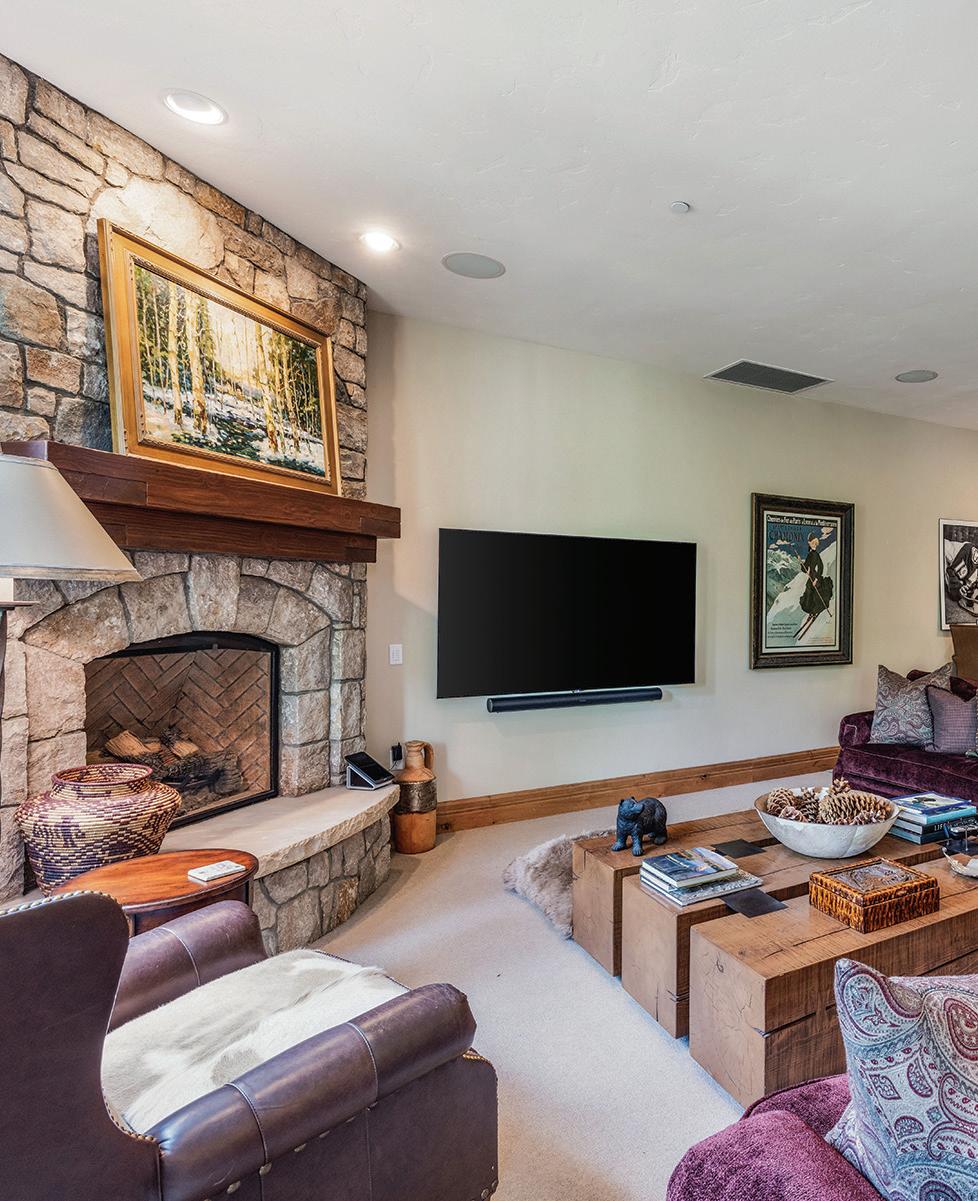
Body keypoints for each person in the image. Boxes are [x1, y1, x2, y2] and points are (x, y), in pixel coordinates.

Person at [796, 533, 833, 639]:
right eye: (813, 543)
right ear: (809, 543)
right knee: (809, 594)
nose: (815, 545)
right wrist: (800, 562)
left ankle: (815, 611)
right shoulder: (809, 554)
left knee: (816, 594)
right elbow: (805, 568)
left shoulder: (816, 554)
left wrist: (816, 579)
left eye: (816, 543)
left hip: (816, 578)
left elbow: (820, 567)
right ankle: (812, 611)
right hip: (811, 577)